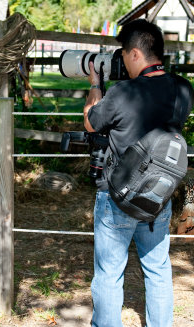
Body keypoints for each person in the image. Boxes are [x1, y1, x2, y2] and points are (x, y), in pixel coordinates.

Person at [83, 19, 193, 327]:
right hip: (159, 194)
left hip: (116, 195)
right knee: (158, 268)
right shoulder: (183, 89)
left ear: (134, 54)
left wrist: (94, 83)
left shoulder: (122, 93)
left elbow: (91, 122)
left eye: (122, 53)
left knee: (109, 273)